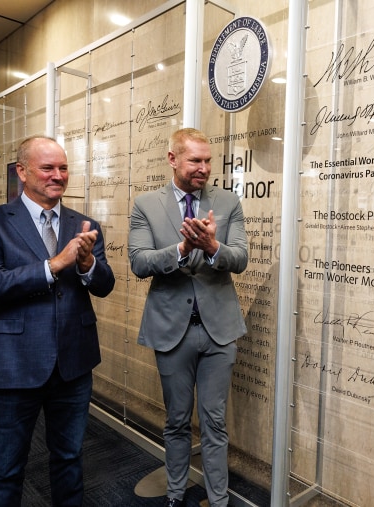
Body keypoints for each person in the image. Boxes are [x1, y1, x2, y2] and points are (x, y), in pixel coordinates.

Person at [0, 135, 115, 506]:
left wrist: (88, 266)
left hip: (73, 364)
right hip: (13, 365)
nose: (58, 175)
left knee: (69, 459)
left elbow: (105, 285)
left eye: (63, 167)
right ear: (22, 171)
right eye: (47, 168)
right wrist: (54, 266)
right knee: (5, 469)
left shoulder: (85, 223)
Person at [128, 128, 248, 507]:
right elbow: (139, 262)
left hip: (219, 332)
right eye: (195, 160)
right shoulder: (146, 204)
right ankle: (175, 496)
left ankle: (218, 500)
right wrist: (181, 248)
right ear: (173, 159)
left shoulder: (228, 202)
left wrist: (213, 247)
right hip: (171, 331)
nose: (204, 168)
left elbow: (241, 258)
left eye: (208, 160)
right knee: (177, 421)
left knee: (215, 423)